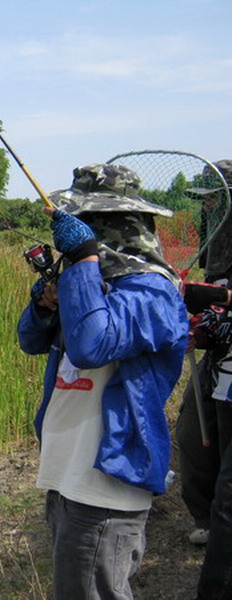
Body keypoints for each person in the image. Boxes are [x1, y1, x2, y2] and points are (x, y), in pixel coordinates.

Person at [18, 163, 188, 599]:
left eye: (89, 223)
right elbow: (31, 341)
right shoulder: (95, 286)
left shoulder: (154, 294)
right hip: (65, 474)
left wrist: (83, 261)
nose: (81, 232)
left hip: (107, 486)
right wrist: (45, 302)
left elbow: (92, 346)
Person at [176, 160, 232, 550]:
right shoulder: (215, 254)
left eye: (217, 199)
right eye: (206, 200)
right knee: (194, 432)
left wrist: (214, 308)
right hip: (220, 360)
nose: (210, 207)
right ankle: (205, 516)